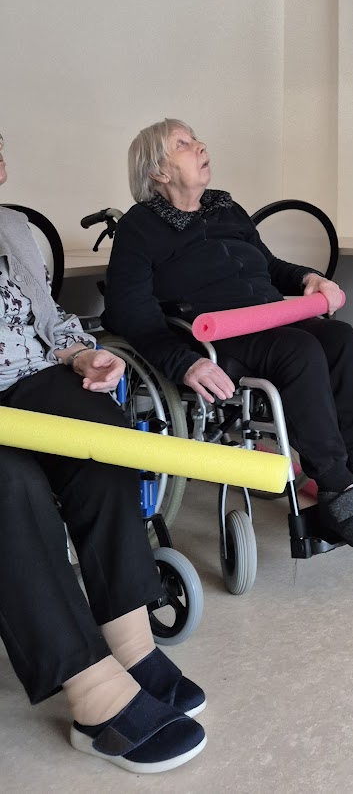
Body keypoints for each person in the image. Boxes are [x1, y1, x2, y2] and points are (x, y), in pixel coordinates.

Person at [103, 119, 353, 551]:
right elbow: (130, 311)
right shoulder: (139, 227)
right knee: (300, 350)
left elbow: (269, 266)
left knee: (341, 338)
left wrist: (309, 278)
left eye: (196, 137)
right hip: (215, 334)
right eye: (183, 143)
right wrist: (183, 362)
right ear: (157, 171)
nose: (199, 145)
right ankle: (335, 485)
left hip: (269, 317)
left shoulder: (226, 209)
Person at [0, 130, 207, 773]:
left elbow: (47, 320)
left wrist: (80, 353)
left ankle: (130, 642)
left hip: (28, 380)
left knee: (104, 438)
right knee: (12, 484)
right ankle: (92, 697)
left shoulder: (12, 228)